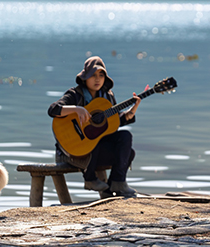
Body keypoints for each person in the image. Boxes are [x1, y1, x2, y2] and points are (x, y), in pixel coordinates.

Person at [48, 56, 141, 198]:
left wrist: (130, 113)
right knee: (93, 135)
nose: (97, 79)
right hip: (71, 152)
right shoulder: (74, 94)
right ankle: (90, 179)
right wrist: (76, 109)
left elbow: (110, 126)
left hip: (94, 150)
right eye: (93, 75)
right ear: (85, 78)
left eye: (101, 75)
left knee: (126, 139)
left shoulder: (108, 97)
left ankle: (117, 182)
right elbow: (53, 110)